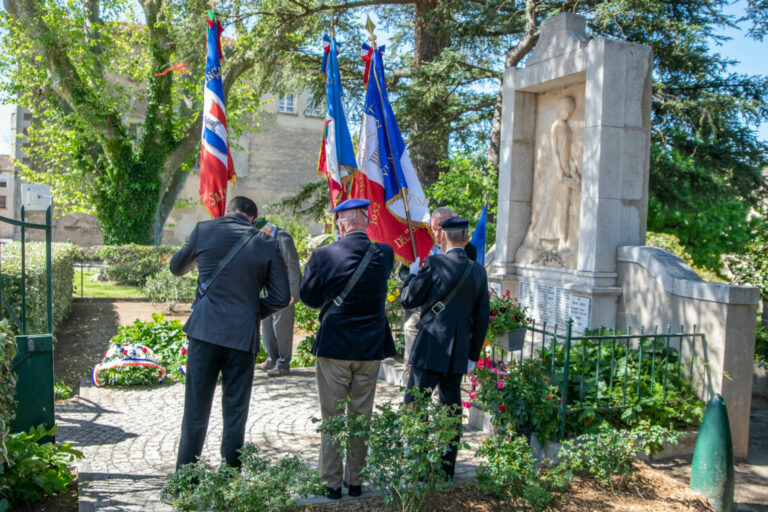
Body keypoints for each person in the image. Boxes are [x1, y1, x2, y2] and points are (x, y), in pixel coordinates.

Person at [171, 196, 291, 470]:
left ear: (228, 212)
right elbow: (281, 297)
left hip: (204, 331)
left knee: (195, 410)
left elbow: (177, 268)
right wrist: (251, 311)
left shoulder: (204, 229)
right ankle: (229, 480)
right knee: (235, 411)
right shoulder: (266, 243)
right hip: (241, 337)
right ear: (252, 218)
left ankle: (186, 478)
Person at [300, 198, 397, 500]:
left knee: (333, 416)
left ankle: (331, 483)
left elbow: (309, 298)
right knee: (360, 416)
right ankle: (355, 481)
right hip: (369, 347)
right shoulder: (385, 253)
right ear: (366, 220)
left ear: (342, 223)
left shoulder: (324, 254)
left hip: (335, 345)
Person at [400, 216, 490, 478]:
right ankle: (446, 467)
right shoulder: (477, 270)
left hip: (429, 345)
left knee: (416, 403)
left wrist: (412, 275)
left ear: (443, 236)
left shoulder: (434, 263)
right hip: (457, 351)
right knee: (450, 407)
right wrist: (473, 355)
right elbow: (482, 316)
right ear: (465, 238)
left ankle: (417, 462)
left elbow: (408, 299)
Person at [399, 207, 455, 385]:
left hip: (446, 311)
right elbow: (404, 272)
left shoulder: (461, 248)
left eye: (441, 228)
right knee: (412, 350)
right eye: (433, 228)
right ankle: (409, 392)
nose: (436, 233)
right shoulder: (421, 245)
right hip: (421, 308)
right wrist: (416, 275)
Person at [255, 219, 302, 377]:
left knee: (282, 326)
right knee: (267, 324)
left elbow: (293, 267)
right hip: (269, 290)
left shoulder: (283, 238)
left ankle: (283, 363)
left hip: (284, 292)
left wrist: (293, 293)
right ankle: (272, 359)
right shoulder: (267, 239)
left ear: (266, 229)